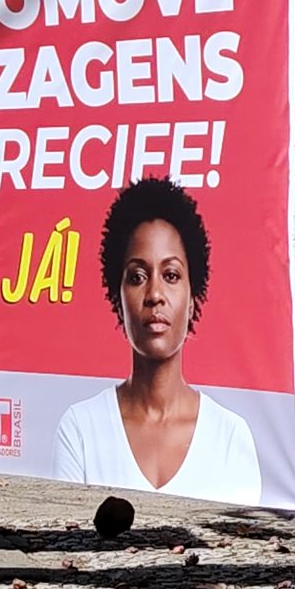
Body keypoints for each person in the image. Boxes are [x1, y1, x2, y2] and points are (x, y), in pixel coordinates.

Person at [54, 178, 262, 503]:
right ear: (117, 298)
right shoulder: (80, 429)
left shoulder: (230, 437)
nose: (154, 295)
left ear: (193, 298)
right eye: (137, 277)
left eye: (171, 276)